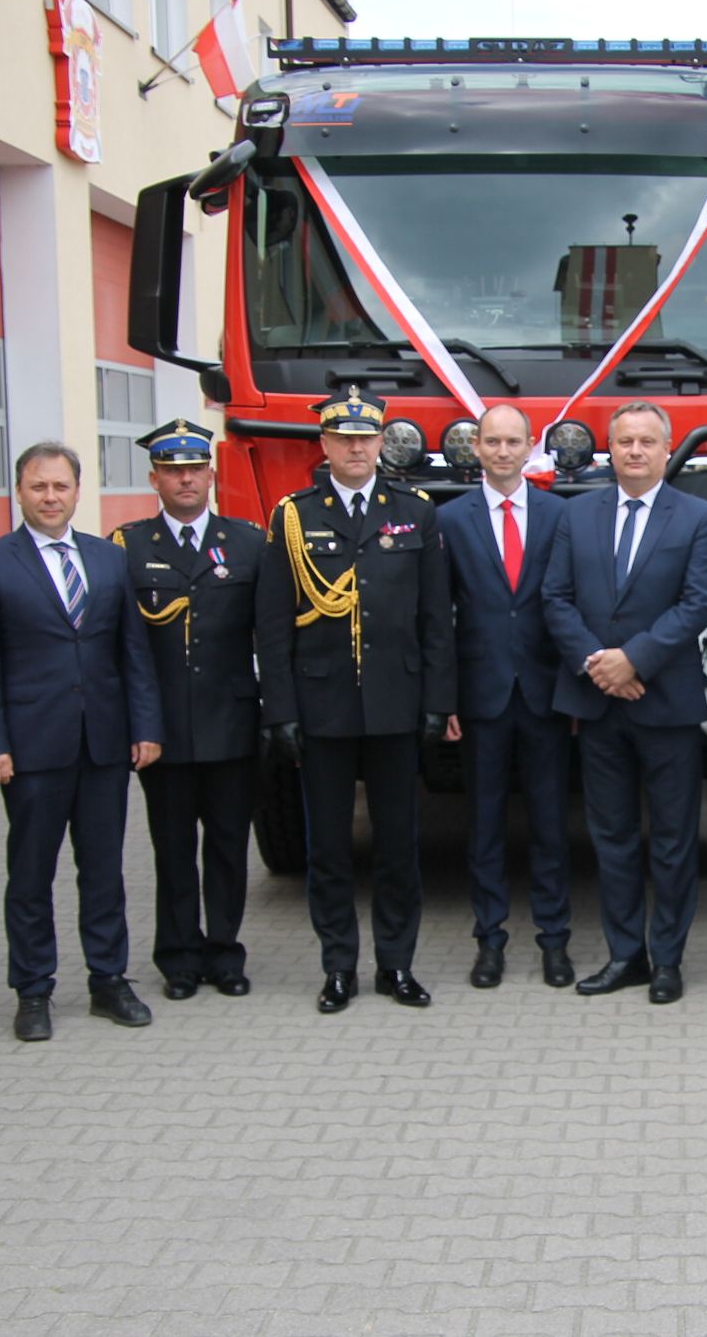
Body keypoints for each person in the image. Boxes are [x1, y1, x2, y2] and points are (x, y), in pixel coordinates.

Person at [0, 441, 163, 1043]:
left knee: (103, 871)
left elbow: (132, 652)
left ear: (77, 491)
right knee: (31, 874)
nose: (50, 497)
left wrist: (146, 727)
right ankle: (33, 989)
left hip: (103, 744)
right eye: (39, 486)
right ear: (20, 492)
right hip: (30, 749)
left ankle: (109, 980)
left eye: (61, 486)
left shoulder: (108, 559)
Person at [256, 386, 454, 1015]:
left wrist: (438, 699)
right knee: (329, 850)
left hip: (395, 704)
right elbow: (273, 626)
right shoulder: (293, 516)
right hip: (323, 706)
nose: (356, 448)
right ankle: (338, 966)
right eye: (343, 438)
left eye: (365, 437)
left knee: (397, 846)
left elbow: (435, 619)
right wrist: (280, 711)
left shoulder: (415, 512)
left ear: (380, 443)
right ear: (325, 444)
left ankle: (396, 964)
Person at [544, 400, 707, 1006]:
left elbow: (695, 605)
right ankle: (626, 956)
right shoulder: (576, 514)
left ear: (668, 450)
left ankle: (667, 959)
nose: (636, 451)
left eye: (648, 441)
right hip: (599, 703)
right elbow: (555, 598)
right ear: (610, 450)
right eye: (625, 441)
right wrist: (600, 665)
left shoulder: (697, 517)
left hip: (665, 704)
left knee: (672, 841)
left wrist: (635, 660)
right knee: (611, 837)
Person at [112, 421, 264, 1002]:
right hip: (165, 730)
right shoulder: (128, 547)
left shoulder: (247, 542)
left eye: (195, 469)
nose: (185, 480)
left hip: (232, 722)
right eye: (173, 471)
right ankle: (177, 957)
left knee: (228, 846)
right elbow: (123, 647)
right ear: (155, 479)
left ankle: (224, 953)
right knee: (173, 849)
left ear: (211, 475)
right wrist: (136, 723)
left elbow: (268, 634)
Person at [438, 404, 575, 990]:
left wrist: (574, 690)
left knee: (550, 824)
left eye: (512, 442)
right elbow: (437, 616)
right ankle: (489, 941)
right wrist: (444, 697)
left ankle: (554, 941)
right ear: (475, 448)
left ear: (529, 447)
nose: (501, 451)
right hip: (481, 695)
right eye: (491, 441)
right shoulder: (449, 519)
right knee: (486, 825)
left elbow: (572, 604)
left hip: (545, 696)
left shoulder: (558, 514)